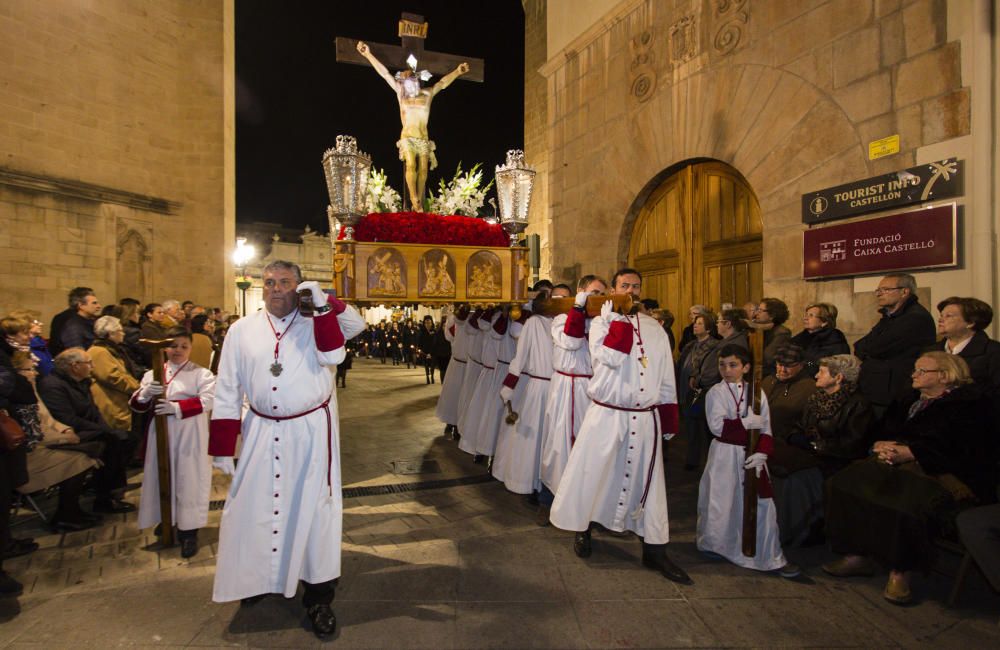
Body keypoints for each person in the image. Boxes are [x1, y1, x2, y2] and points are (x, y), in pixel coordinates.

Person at [209, 260, 364, 639]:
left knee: (313, 513)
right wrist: (222, 447)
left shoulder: (317, 322)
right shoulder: (241, 330)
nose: (276, 288)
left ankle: (318, 597)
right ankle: (257, 579)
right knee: (253, 509)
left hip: (310, 433)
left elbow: (355, 327)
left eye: (284, 282)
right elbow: (227, 388)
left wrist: (324, 299)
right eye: (269, 282)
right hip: (260, 429)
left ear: (298, 287)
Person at [823, 352, 998, 605]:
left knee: (903, 503)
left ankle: (900, 571)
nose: (913, 375)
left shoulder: (970, 405)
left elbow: (968, 451)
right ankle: (856, 554)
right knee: (842, 484)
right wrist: (883, 444)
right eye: (914, 369)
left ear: (945, 375)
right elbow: (885, 430)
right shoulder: (908, 399)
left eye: (921, 371)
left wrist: (914, 453)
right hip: (898, 464)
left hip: (944, 474)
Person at [550, 268, 689, 583]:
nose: (631, 291)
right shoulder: (600, 324)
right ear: (613, 290)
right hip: (607, 414)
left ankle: (655, 551)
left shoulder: (654, 328)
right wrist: (618, 320)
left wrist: (668, 419)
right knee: (593, 474)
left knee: (648, 485)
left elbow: (666, 375)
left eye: (636, 286)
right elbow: (608, 357)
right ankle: (583, 530)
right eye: (624, 285)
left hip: (644, 416)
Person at [697, 344, 799, 578]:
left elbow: (766, 427)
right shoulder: (716, 392)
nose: (726, 370)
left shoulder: (756, 392)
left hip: (752, 456)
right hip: (724, 455)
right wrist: (744, 424)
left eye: (733, 365)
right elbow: (717, 427)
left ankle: (768, 554)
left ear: (746, 367)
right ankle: (717, 544)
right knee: (722, 503)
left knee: (760, 505)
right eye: (722, 365)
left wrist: (762, 451)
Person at [131, 328, 215, 558]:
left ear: (190, 348)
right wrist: (146, 393)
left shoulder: (201, 374)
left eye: (183, 346)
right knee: (161, 476)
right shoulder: (153, 373)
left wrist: (176, 407)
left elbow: (209, 400)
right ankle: (166, 519)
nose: (178, 350)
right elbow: (137, 406)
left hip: (190, 432)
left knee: (188, 479)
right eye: (173, 346)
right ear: (164, 348)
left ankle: (189, 531)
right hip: (161, 431)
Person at [356, 40, 470, 208]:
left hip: (423, 138)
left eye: (412, 81)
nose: (409, 85)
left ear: (417, 81)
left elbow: (442, 83)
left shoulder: (427, 94)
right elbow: (385, 74)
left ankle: (419, 202)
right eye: (406, 82)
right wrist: (368, 54)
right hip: (408, 137)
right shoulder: (402, 95)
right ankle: (414, 198)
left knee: (423, 169)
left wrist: (457, 72)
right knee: (411, 164)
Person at [538, 275, 607, 524]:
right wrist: (577, 309)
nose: (598, 298)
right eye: (594, 292)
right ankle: (554, 499)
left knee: (589, 446)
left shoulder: (601, 320)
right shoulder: (560, 319)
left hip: (593, 388)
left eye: (602, 293)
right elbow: (571, 340)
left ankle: (588, 502)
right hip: (567, 386)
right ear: (580, 292)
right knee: (560, 444)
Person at [9, 352, 100, 531]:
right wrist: (64, 437)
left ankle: (72, 510)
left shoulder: (31, 389)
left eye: (33, 369)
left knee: (96, 447)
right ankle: (66, 515)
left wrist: (64, 429)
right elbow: (33, 432)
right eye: (28, 370)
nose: (34, 373)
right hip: (28, 455)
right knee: (81, 460)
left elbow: (48, 419)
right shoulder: (18, 399)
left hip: (47, 443)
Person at [37, 348, 134, 514]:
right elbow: (66, 418)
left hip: (87, 428)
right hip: (68, 433)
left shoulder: (81, 382)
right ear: (75, 366)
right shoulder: (52, 386)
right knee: (111, 442)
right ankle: (105, 497)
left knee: (125, 438)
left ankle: (107, 490)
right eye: (89, 363)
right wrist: (102, 430)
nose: (92, 366)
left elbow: (94, 411)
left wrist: (105, 428)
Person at [493, 286, 569, 496]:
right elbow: (520, 357)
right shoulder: (535, 323)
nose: (562, 302)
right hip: (540, 388)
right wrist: (509, 385)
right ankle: (532, 484)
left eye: (565, 298)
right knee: (535, 440)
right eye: (557, 298)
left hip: (563, 389)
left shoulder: (571, 324)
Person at [854, 273, 936, 418]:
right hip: (877, 388)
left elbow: (875, 347)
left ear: (904, 292)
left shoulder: (914, 318)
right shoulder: (890, 316)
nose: (879, 294)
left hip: (892, 392)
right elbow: (859, 346)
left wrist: (868, 350)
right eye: (878, 290)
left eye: (885, 289)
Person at [677, 311, 721, 471]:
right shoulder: (691, 345)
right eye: (695, 322)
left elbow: (711, 369)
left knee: (705, 428)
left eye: (700, 323)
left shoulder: (714, 346)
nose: (695, 325)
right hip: (688, 391)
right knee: (690, 427)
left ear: (709, 329)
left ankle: (710, 460)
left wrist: (697, 378)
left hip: (703, 391)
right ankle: (692, 458)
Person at [934, 297, 1000, 400]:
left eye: (948, 316)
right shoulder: (930, 351)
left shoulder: (993, 352)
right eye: (941, 315)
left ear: (970, 323)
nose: (940, 319)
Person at [89, 316, 142, 437]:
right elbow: (113, 377)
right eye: (120, 331)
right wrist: (138, 388)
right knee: (119, 442)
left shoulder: (112, 349)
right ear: (111, 334)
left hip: (120, 400)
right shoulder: (99, 351)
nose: (123, 333)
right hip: (112, 402)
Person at [435, 306, 469, 439]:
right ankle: (452, 422)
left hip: (471, 365)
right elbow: (449, 336)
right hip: (457, 363)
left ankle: (464, 424)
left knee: (465, 397)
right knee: (453, 395)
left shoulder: (474, 317)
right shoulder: (453, 319)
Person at [789, 303, 850, 378]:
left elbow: (836, 369)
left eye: (811, 315)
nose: (805, 318)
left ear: (824, 322)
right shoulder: (798, 339)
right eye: (806, 315)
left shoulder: (835, 341)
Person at [47, 287, 94, 358]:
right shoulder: (72, 320)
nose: (98, 306)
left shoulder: (61, 316)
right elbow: (75, 348)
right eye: (93, 302)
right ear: (81, 303)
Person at [751, 298, 791, 377]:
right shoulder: (759, 328)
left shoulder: (782, 333)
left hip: (768, 375)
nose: (756, 313)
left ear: (772, 315)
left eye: (761, 310)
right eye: (757, 309)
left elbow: (768, 358)